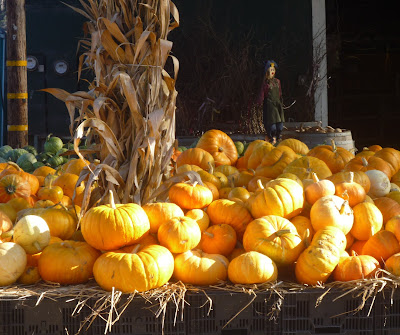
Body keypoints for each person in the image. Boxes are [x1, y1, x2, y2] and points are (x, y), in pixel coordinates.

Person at [257, 60, 284, 145]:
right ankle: (272, 137)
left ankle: (279, 136)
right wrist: (259, 103)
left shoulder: (277, 81)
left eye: (273, 70)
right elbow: (262, 94)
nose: (272, 72)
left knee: (280, 124)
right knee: (272, 125)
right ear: (266, 72)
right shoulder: (265, 83)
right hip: (270, 106)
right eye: (270, 70)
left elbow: (279, 92)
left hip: (277, 104)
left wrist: (280, 101)